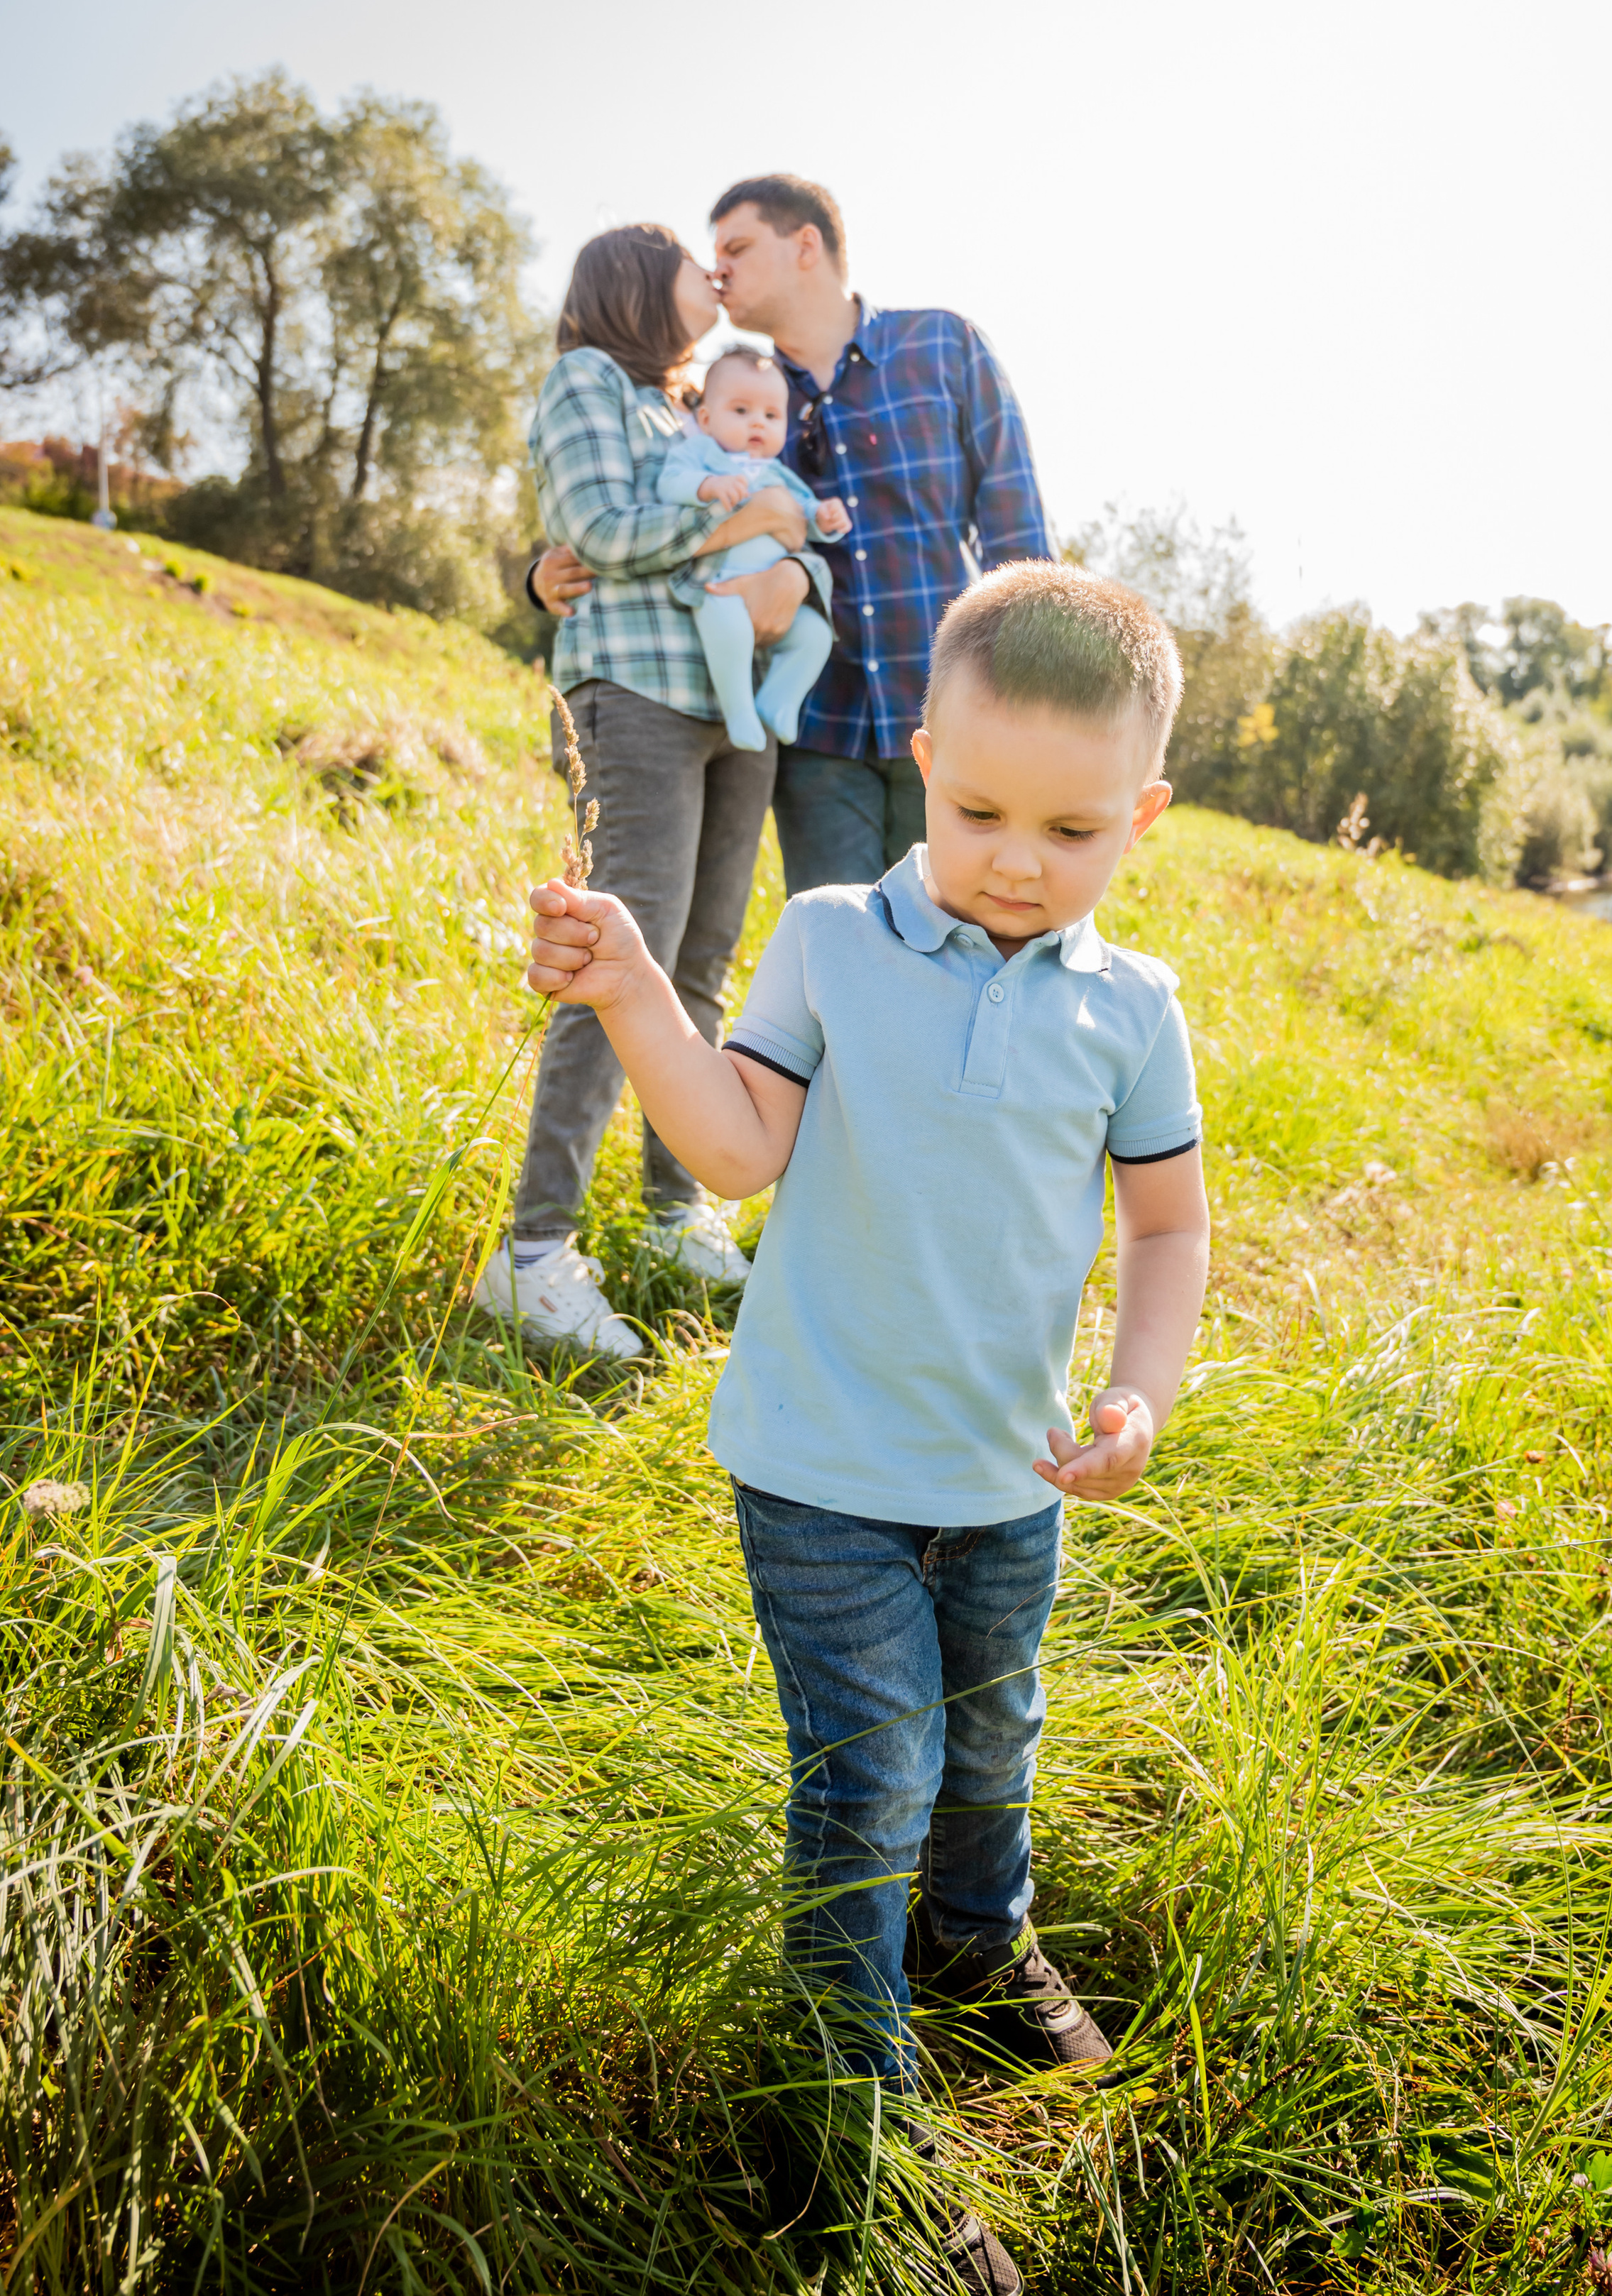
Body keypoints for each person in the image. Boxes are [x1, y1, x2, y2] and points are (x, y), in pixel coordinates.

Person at [525, 562, 1211, 2295]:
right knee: (873, 1778)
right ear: (919, 754)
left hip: (1010, 1475)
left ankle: (978, 1941)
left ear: (1141, 813)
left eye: (1068, 826)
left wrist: (1141, 1386)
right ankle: (858, 2113)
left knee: (991, 1739)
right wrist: (633, 996)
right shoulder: (831, 933)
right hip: (820, 1469)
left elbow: (1162, 1228)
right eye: (977, 806)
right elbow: (736, 1150)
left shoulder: (1130, 1008)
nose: (1011, 856)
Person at [474, 224, 832, 1361]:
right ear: (637, 280)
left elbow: (670, 532)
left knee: (700, 965)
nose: (714, 282)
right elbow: (598, 532)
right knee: (617, 960)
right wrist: (751, 521)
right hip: (632, 698)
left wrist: (769, 535)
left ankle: (678, 1210)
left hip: (730, 709)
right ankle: (534, 1251)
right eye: (696, 263)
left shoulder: (684, 406)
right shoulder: (586, 379)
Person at [711, 173, 1055, 893]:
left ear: (806, 245)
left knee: (965, 948)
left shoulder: (942, 345)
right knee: (844, 962)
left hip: (953, 722)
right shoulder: (741, 402)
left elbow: (1015, 533)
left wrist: (1031, 704)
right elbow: (674, 503)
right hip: (816, 734)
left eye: (738, 247)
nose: (720, 271)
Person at [654, 347, 850, 751]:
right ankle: (738, 709)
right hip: (719, 586)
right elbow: (669, 482)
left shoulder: (778, 473)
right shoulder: (702, 455)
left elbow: (805, 512)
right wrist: (707, 487)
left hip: (774, 593)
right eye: (741, 411)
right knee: (729, 629)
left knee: (815, 635)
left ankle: (778, 701)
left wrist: (826, 517)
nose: (757, 422)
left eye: (771, 415)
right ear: (706, 419)